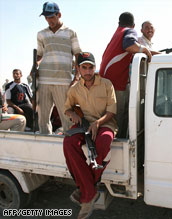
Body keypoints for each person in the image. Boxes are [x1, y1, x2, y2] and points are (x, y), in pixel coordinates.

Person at [63, 52, 117, 219]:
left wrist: (98, 123)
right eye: (84, 67)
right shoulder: (74, 89)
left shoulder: (106, 84)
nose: (87, 71)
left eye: (90, 67)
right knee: (68, 143)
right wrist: (73, 114)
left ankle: (85, 192)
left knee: (104, 141)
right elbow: (67, 108)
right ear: (78, 69)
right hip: (84, 124)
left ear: (95, 67)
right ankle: (90, 190)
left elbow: (112, 111)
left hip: (105, 123)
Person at [99, 12, 152, 138]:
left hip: (105, 81)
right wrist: (145, 50)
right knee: (120, 117)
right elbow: (129, 45)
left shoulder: (118, 33)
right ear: (133, 25)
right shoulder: (129, 31)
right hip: (116, 84)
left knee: (107, 116)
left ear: (119, 23)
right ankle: (120, 144)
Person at [36, 1, 82, 134]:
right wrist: (35, 65)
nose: (48, 20)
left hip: (63, 81)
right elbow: (39, 55)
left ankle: (69, 148)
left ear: (59, 15)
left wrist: (77, 77)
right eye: (46, 17)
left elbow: (77, 55)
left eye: (51, 16)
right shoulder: (41, 34)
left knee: (67, 119)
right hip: (44, 80)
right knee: (42, 120)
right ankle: (45, 150)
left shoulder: (70, 33)